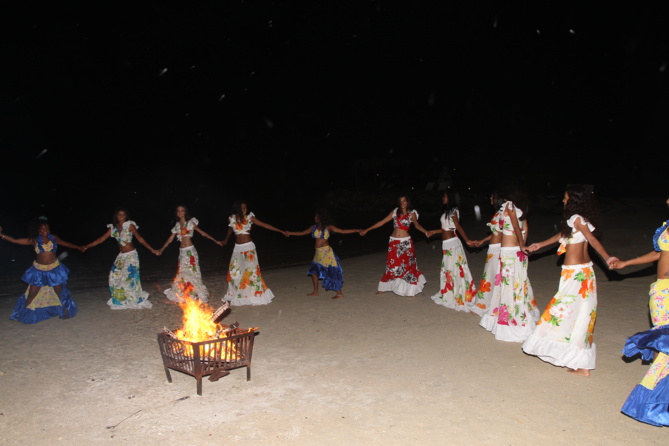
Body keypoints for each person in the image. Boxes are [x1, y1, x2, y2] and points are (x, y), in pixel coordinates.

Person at [522, 184, 617, 377]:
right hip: (585, 272)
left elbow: (592, 240)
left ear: (574, 200)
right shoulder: (580, 219)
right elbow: (563, 235)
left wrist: (608, 258)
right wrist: (540, 244)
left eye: (566, 197)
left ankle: (561, 351)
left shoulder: (576, 218)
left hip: (574, 273)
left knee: (559, 311)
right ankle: (582, 363)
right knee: (582, 314)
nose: (563, 200)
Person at [612, 198, 669, 424]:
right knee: (661, 341)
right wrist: (627, 263)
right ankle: (656, 397)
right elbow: (660, 253)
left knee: (664, 341)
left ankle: (655, 398)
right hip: (661, 290)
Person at [479, 184, 538, 342]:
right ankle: (509, 314)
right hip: (511, 251)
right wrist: (522, 245)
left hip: (510, 251)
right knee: (511, 284)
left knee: (509, 285)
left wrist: (522, 245)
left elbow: (517, 227)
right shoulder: (517, 208)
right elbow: (523, 227)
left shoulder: (510, 206)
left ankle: (512, 318)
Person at [1, 217, 82, 323]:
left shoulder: (53, 237)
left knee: (59, 292)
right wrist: (1, 235)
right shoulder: (34, 240)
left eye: (47, 228)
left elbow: (65, 243)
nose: (45, 230)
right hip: (39, 271)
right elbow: (16, 240)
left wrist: (78, 247)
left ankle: (65, 311)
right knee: (32, 294)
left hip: (54, 269)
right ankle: (24, 313)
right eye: (43, 228)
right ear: (38, 230)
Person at [82, 207, 156, 310]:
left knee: (128, 278)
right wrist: (87, 246)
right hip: (121, 256)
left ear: (126, 216)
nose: (121, 216)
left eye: (123, 214)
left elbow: (140, 239)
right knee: (114, 276)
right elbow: (101, 239)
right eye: (119, 214)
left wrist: (152, 249)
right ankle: (121, 299)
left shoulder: (129, 225)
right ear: (116, 216)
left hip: (131, 255)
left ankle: (133, 299)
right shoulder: (113, 228)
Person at [221, 200, 288, 305]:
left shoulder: (249, 218)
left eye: (246, 208)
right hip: (237, 248)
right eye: (243, 208)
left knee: (251, 272)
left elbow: (265, 225)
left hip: (249, 247)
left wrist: (281, 231)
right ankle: (236, 294)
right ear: (237, 209)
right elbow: (230, 229)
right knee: (235, 271)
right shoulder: (231, 218)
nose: (245, 210)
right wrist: (226, 239)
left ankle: (254, 294)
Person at [361, 194, 429, 297]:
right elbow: (382, 222)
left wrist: (425, 231)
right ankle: (384, 287)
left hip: (405, 243)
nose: (402, 203)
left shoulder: (412, 213)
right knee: (391, 266)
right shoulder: (395, 212)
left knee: (407, 266)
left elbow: (417, 225)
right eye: (400, 201)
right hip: (394, 242)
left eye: (404, 200)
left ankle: (409, 289)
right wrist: (367, 229)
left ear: (408, 202)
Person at [286, 208, 361, 299]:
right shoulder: (314, 227)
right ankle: (315, 292)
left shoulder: (329, 227)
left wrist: (357, 230)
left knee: (332, 271)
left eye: (316, 216)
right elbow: (303, 232)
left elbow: (343, 231)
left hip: (326, 252)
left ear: (321, 217)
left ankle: (339, 293)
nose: (315, 218)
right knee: (313, 272)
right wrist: (290, 233)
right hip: (318, 253)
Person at [157, 205, 223, 303]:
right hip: (182, 252)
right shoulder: (177, 225)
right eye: (178, 211)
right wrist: (161, 249)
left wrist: (215, 241)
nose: (180, 212)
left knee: (192, 272)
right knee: (182, 273)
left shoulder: (190, 223)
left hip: (190, 251)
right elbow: (170, 239)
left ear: (185, 212)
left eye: (182, 211)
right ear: (176, 213)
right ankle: (185, 293)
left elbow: (202, 233)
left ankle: (196, 292)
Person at [426, 189, 477, 311]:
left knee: (454, 269)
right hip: (446, 244)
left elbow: (458, 227)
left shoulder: (454, 211)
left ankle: (459, 294)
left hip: (452, 244)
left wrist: (467, 240)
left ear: (450, 197)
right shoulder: (447, 212)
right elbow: (445, 228)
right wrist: (433, 232)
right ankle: (450, 292)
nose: (443, 198)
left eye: (444, 196)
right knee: (448, 269)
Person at [466, 191, 505, 316]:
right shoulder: (498, 213)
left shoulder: (504, 213)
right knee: (491, 275)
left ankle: (486, 305)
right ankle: (487, 303)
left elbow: (505, 232)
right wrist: (483, 241)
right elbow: (495, 233)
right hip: (493, 248)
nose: (490, 198)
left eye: (492, 196)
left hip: (498, 248)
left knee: (492, 276)